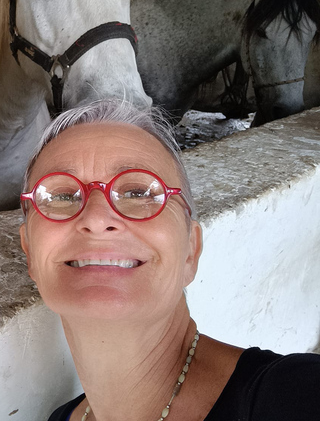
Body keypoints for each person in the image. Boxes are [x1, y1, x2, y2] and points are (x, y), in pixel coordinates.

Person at [18, 100, 320, 421]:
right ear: (31, 254)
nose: (96, 217)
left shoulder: (292, 394)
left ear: (191, 250)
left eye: (138, 192)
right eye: (61, 196)